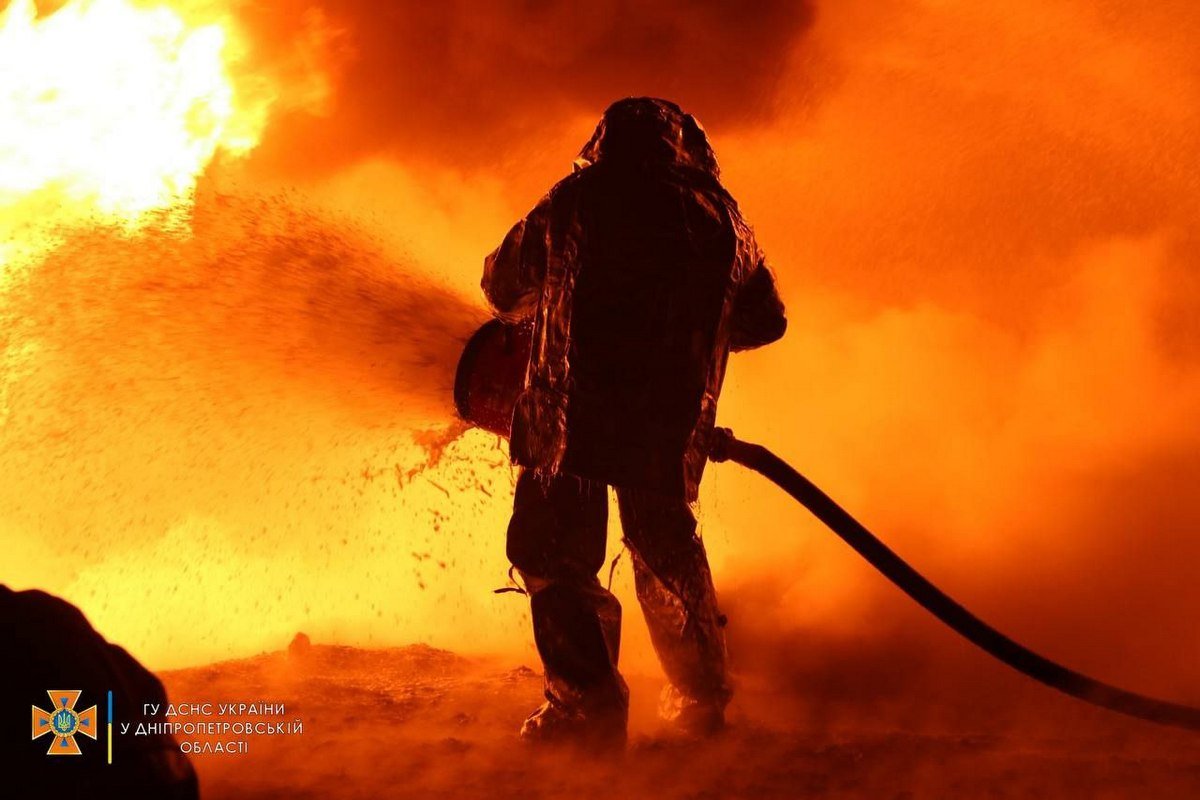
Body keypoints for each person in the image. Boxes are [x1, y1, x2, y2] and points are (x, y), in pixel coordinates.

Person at [481, 97, 786, 746]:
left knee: (554, 554)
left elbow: (504, 284)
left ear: (604, 143)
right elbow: (766, 321)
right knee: (666, 552)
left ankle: (584, 708)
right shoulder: (727, 222)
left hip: (568, 414)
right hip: (667, 423)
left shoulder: (576, 197)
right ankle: (701, 704)